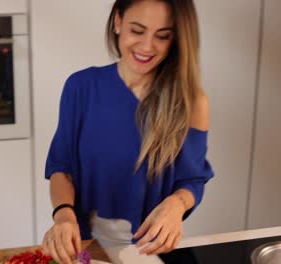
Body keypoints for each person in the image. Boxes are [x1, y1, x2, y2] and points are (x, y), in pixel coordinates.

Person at [41, 1, 214, 263]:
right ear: (118, 21)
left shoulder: (192, 101)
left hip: (149, 251)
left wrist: (176, 206)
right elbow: (61, 167)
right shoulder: (81, 87)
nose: (147, 46)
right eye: (137, 30)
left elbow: (192, 179)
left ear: (176, 38)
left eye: (163, 36)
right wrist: (64, 215)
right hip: (85, 247)